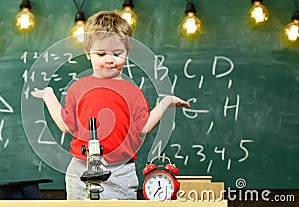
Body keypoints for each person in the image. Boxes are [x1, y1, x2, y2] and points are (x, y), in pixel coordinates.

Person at [31, 11, 190, 200]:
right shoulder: (77, 88)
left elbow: (143, 128)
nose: (109, 59)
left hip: (121, 171)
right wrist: (49, 96)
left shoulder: (133, 92)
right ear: (88, 53)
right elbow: (66, 126)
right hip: (80, 169)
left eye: (117, 54)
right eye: (101, 53)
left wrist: (164, 103)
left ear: (127, 54)